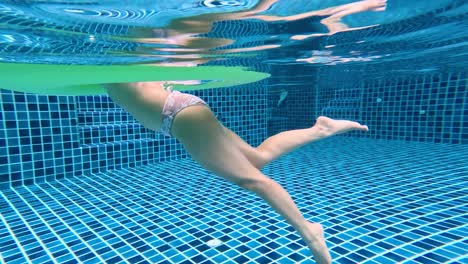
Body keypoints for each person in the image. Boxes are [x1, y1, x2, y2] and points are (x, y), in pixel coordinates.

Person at [102, 81, 369, 264]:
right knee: (257, 158)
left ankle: (310, 232)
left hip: (178, 116)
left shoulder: (108, 57)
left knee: (252, 180)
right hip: (181, 110)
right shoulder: (115, 59)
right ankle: (320, 128)